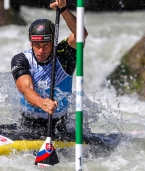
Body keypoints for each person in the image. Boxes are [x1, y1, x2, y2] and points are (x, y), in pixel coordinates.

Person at [11, 0, 88, 135]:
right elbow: (25, 89)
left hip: (59, 123)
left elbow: (81, 35)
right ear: (31, 43)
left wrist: (63, 10)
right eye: (37, 45)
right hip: (28, 123)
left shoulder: (64, 55)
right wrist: (41, 102)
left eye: (46, 45)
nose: (41, 50)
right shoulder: (21, 59)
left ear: (53, 42)